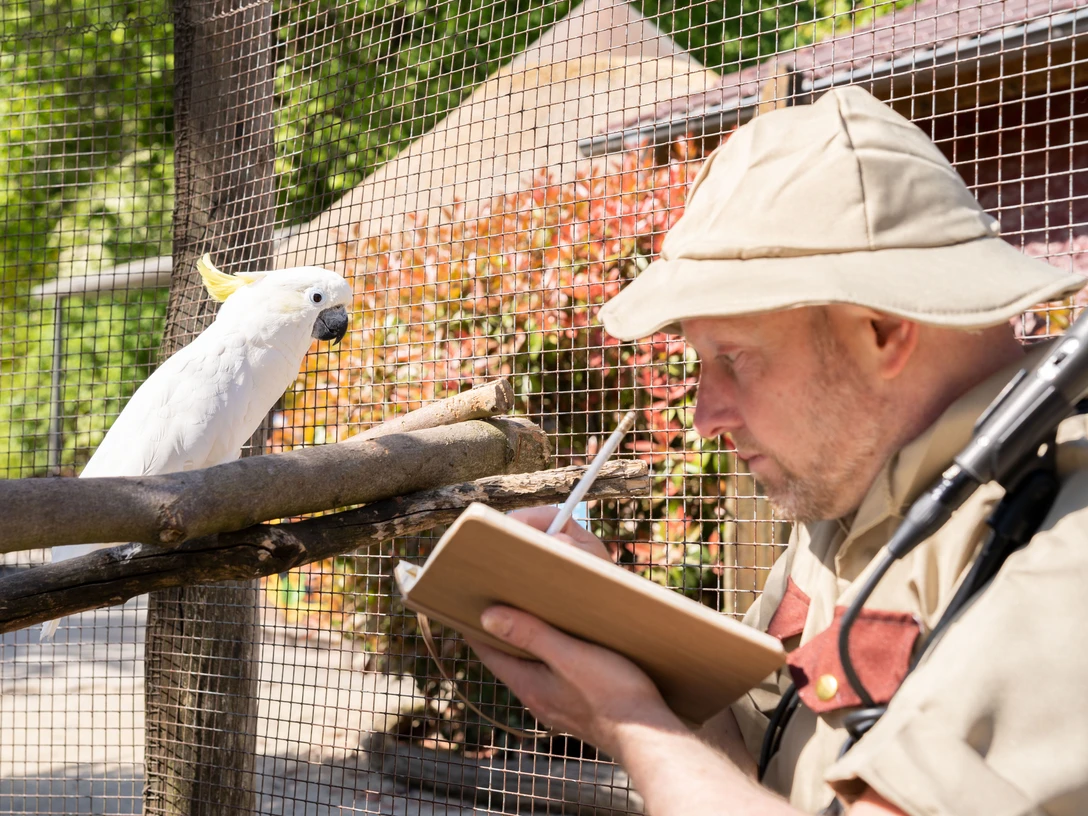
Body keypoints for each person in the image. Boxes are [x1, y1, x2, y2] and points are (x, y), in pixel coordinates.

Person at [464, 86, 1088, 815]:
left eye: (734, 357)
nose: (703, 416)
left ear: (881, 329)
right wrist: (618, 634)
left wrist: (628, 723)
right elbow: (751, 767)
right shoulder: (851, 487)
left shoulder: (1065, 532)